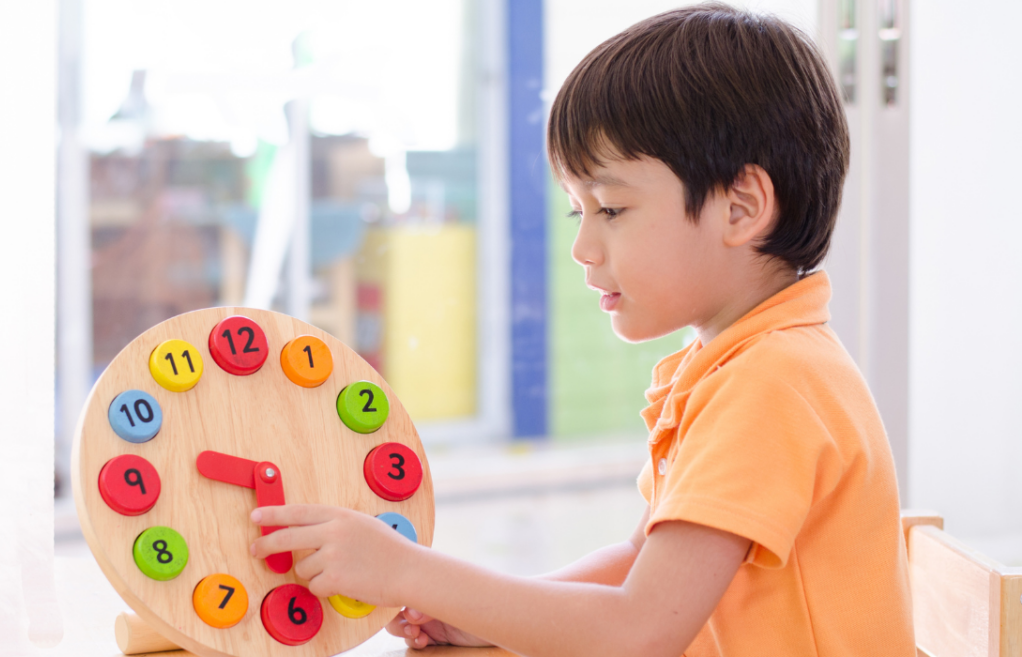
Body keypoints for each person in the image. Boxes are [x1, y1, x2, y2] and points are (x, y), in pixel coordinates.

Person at [249, 4, 915, 655]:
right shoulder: (735, 363)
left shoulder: (773, 383)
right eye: (578, 213)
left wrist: (407, 570)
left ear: (740, 208)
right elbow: (638, 560)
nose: (584, 248)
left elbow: (638, 631)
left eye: (613, 209)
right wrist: (487, 615)